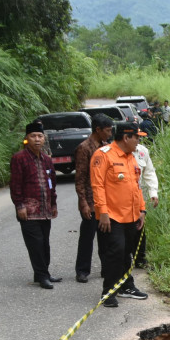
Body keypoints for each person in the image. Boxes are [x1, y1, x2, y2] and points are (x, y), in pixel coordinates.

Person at [90, 121, 147, 308]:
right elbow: (97, 186)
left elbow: (136, 187)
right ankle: (108, 292)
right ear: (126, 137)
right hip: (112, 216)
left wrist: (142, 209)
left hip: (131, 215)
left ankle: (126, 286)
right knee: (115, 253)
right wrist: (103, 213)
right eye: (136, 137)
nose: (138, 141)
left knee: (126, 253)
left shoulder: (131, 157)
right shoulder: (103, 155)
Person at [10, 120, 59, 289]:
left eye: (40, 136)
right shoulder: (19, 159)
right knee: (35, 244)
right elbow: (15, 185)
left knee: (45, 243)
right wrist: (19, 205)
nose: (37, 139)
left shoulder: (46, 160)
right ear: (26, 139)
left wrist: (53, 204)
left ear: (44, 138)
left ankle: (43, 273)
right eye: (33, 136)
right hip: (29, 211)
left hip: (45, 209)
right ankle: (42, 275)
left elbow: (52, 184)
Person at [73, 114, 113, 283]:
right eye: (108, 130)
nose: (110, 134)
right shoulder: (84, 148)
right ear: (98, 130)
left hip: (104, 200)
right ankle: (82, 270)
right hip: (90, 201)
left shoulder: (106, 147)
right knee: (87, 237)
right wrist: (83, 202)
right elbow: (80, 177)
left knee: (105, 236)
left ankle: (106, 268)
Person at [132, 129, 159, 268]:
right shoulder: (114, 153)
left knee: (140, 227)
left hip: (138, 196)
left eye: (139, 137)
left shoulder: (142, 151)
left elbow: (149, 173)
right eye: (136, 137)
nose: (138, 140)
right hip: (120, 199)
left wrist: (153, 193)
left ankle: (140, 260)